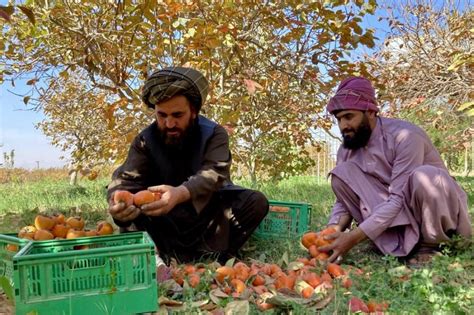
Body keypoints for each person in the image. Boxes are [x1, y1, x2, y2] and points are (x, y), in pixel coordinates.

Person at [107, 67, 269, 264]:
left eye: (177, 115)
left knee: (255, 202)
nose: (169, 123)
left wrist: (180, 193)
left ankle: (214, 257)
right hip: (162, 222)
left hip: (205, 216)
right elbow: (124, 180)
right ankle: (158, 257)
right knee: (129, 207)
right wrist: (118, 206)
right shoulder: (144, 140)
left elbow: (215, 173)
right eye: (162, 115)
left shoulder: (214, 134)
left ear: (193, 111)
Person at [319, 76, 472, 265]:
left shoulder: (405, 136)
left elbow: (398, 198)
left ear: (370, 112)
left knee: (426, 177)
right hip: (393, 218)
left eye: (349, 117)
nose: (343, 126)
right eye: (339, 119)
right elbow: (343, 202)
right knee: (341, 175)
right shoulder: (347, 149)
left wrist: (355, 237)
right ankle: (392, 243)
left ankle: (431, 247)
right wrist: (332, 232)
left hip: (428, 212)